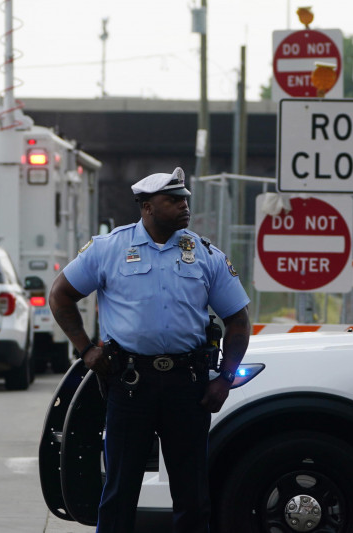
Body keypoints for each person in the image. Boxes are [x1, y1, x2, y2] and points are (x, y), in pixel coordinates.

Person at [49, 167, 251, 533]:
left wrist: (224, 378)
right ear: (147, 207)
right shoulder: (109, 248)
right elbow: (60, 295)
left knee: (192, 495)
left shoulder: (205, 254)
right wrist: (86, 350)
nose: (183, 205)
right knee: (119, 490)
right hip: (130, 385)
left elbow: (238, 319)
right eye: (172, 200)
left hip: (187, 387)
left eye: (185, 199)